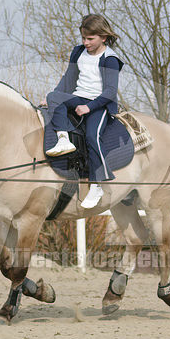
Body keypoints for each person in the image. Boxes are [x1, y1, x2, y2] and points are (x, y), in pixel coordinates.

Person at [42, 14, 124, 209]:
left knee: (92, 136)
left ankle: (96, 185)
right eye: (83, 38)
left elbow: (111, 91)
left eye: (90, 39)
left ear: (103, 37)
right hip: (79, 96)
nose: (85, 42)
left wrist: (90, 107)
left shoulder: (110, 59)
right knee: (53, 97)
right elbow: (69, 78)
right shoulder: (78, 52)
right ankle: (63, 140)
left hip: (100, 103)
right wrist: (53, 98)